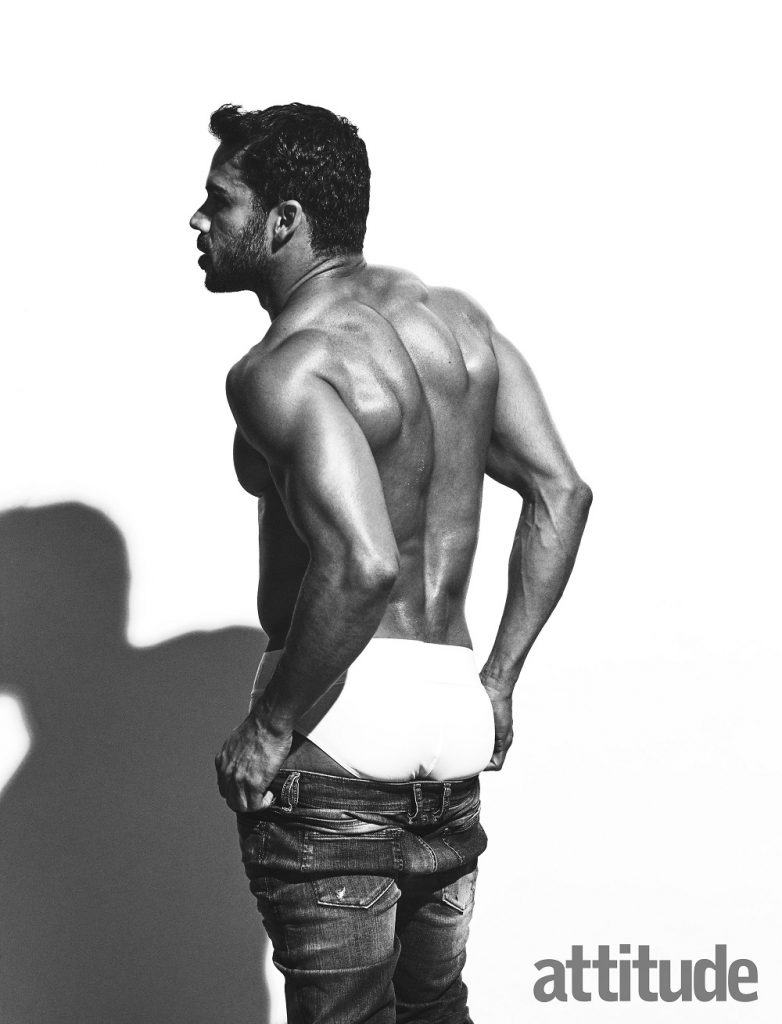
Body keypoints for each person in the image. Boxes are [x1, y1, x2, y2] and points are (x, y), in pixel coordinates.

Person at [191, 102, 592, 1024]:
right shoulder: (458, 326)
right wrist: (496, 683)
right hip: (453, 719)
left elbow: (363, 563)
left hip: (337, 734)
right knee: (436, 1008)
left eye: (220, 199)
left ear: (284, 220)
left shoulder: (287, 364)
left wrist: (270, 727)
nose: (198, 219)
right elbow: (561, 493)